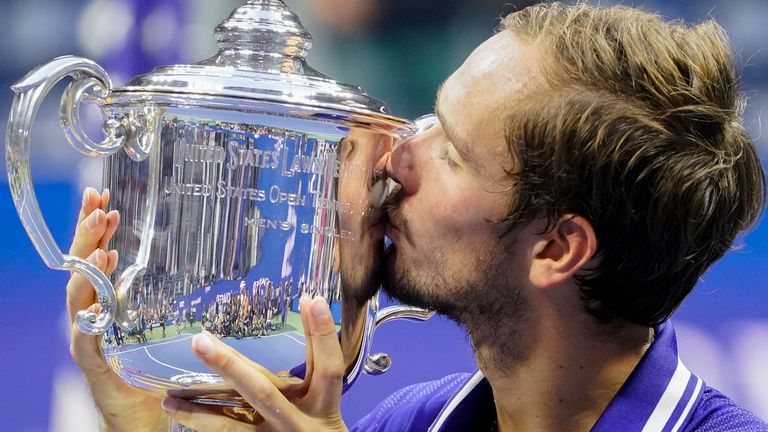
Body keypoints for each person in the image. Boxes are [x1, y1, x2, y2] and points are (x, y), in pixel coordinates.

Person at [65, 2, 767, 431]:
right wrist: (143, 424)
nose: (396, 155)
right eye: (429, 115)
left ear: (557, 248)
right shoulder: (417, 420)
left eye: (454, 152)